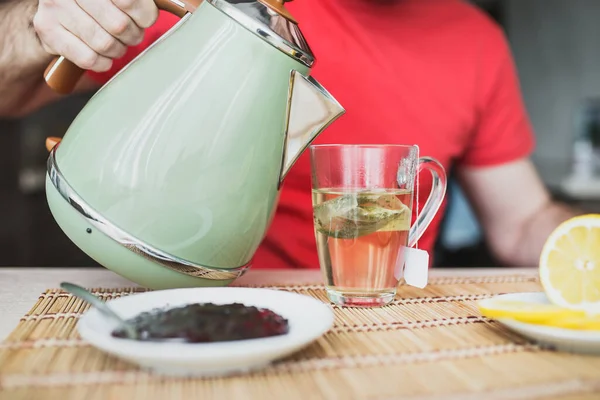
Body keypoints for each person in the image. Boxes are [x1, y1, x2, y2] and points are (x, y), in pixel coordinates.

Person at [0, 0, 578, 269]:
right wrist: (36, 26)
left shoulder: (474, 40)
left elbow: (524, 224)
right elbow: (13, 94)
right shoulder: (228, 8)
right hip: (188, 306)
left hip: (378, 330)